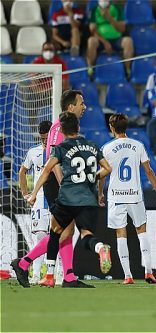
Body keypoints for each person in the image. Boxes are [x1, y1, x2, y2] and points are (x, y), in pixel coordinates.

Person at [10, 90, 86, 288]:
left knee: (66, 229)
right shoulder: (60, 127)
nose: (84, 107)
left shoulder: (61, 126)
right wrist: (64, 185)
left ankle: (68, 276)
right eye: (81, 103)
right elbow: (54, 160)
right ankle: (24, 263)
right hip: (57, 183)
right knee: (61, 231)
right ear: (71, 107)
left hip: (57, 183)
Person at [99, 114, 156, 285]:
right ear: (126, 127)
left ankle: (128, 276)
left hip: (116, 196)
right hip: (134, 194)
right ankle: (149, 272)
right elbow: (149, 171)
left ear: (111, 128)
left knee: (121, 234)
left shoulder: (107, 148)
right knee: (142, 232)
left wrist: (100, 193)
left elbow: (102, 176)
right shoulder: (138, 145)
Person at [18, 121, 52, 284]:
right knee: (39, 237)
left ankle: (56, 274)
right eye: (42, 138)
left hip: (55, 198)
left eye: (47, 138)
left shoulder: (58, 151)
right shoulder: (33, 152)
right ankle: (36, 274)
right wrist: (25, 193)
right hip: (39, 200)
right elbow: (22, 172)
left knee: (57, 236)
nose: (45, 141)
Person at [87, 0, 134, 76]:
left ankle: (127, 69)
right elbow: (92, 30)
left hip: (117, 39)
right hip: (100, 40)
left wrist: (110, 19)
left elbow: (122, 29)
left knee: (128, 41)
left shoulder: (117, 9)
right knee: (91, 41)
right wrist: (105, 42)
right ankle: (90, 68)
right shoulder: (94, 10)